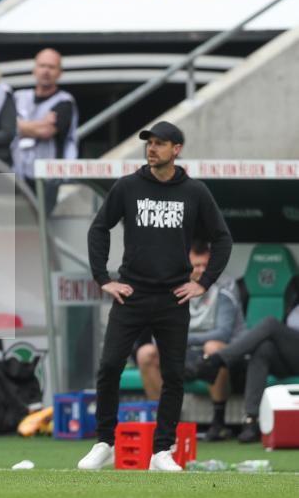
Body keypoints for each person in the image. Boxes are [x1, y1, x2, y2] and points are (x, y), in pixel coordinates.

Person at [79, 121, 232, 472]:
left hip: (173, 298)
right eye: (149, 143)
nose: (152, 149)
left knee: (174, 374)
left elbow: (222, 239)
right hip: (130, 294)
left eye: (160, 144)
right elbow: (99, 228)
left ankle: (162, 450)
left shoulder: (194, 192)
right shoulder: (128, 186)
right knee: (109, 367)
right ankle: (105, 442)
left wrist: (203, 282)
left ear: (176, 149)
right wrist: (103, 278)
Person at [134, 240, 244, 441]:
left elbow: (223, 333)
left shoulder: (224, 285)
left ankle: (219, 423)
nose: (202, 270)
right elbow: (159, 329)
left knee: (213, 348)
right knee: (145, 353)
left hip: (221, 354)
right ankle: (167, 423)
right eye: (197, 266)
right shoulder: (173, 285)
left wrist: (182, 339)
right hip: (182, 351)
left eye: (206, 265)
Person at [191, 308, 299, 443]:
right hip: (291, 355)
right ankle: (251, 419)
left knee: (271, 323)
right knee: (263, 348)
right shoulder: (294, 298)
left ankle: (216, 361)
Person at [11, 48, 78, 209]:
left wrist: (19, 125)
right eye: (42, 66)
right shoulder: (19, 97)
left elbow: (46, 132)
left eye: (51, 67)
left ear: (59, 72)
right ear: (34, 69)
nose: (46, 71)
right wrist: (40, 123)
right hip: (16, 175)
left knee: (38, 230)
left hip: (47, 179)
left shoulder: (65, 101)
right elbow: (5, 127)